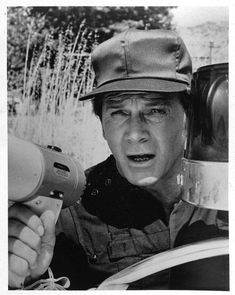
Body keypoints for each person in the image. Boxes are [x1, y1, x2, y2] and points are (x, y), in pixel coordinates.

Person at [8, 29, 228, 290]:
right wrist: (25, 277)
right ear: (102, 124)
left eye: (155, 110)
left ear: (189, 117)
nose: (135, 133)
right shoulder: (71, 211)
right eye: (119, 113)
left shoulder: (224, 195)